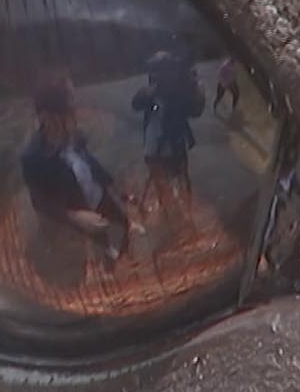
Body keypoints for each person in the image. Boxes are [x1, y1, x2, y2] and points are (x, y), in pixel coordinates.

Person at [19, 78, 128, 261]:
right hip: (80, 209)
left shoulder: (75, 136)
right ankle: (109, 258)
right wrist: (75, 216)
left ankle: (122, 250)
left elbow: (90, 163)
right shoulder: (34, 158)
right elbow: (40, 201)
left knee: (122, 223)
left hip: (101, 197)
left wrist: (113, 186)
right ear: (47, 117)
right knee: (99, 241)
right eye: (68, 111)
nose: (76, 116)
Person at [132, 50, 206, 200]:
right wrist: (156, 91)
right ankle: (168, 210)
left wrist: (196, 90)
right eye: (156, 71)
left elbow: (195, 111)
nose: (158, 75)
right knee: (162, 185)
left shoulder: (180, 90)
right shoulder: (150, 91)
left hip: (175, 143)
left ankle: (185, 211)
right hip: (154, 147)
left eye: (163, 70)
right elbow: (136, 104)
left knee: (182, 179)